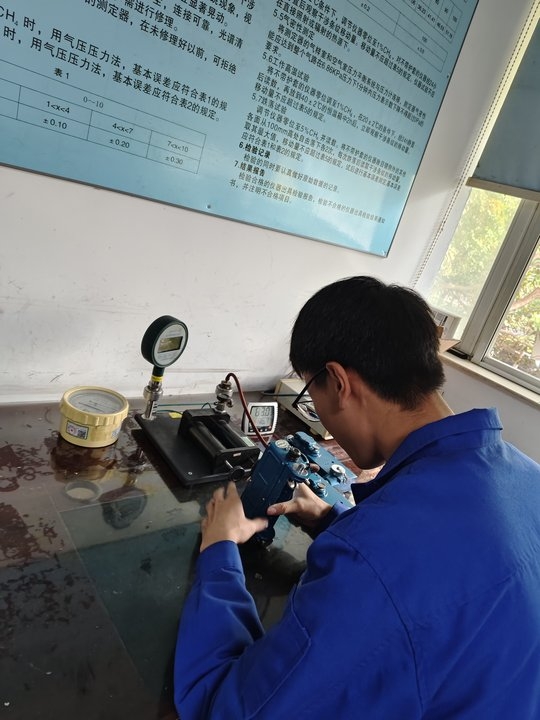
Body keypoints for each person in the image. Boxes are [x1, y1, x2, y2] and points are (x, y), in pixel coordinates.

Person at [174, 276, 540, 719]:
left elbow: (229, 709)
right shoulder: (529, 475)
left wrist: (219, 551)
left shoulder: (372, 561)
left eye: (311, 392)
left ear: (339, 382)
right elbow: (454, 570)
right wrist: (336, 522)